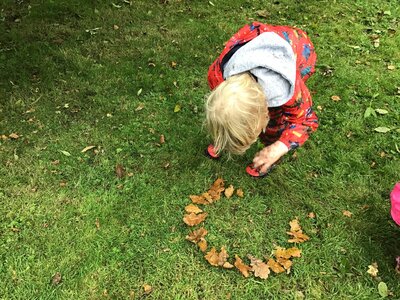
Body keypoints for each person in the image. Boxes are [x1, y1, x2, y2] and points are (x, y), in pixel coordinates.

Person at [205, 22, 319, 177]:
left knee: (276, 128)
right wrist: (227, 130)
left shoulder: (286, 90)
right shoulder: (218, 75)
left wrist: (279, 147)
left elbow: (305, 120)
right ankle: (226, 139)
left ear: (265, 113)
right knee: (227, 115)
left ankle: (268, 157)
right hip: (259, 44)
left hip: (297, 49)